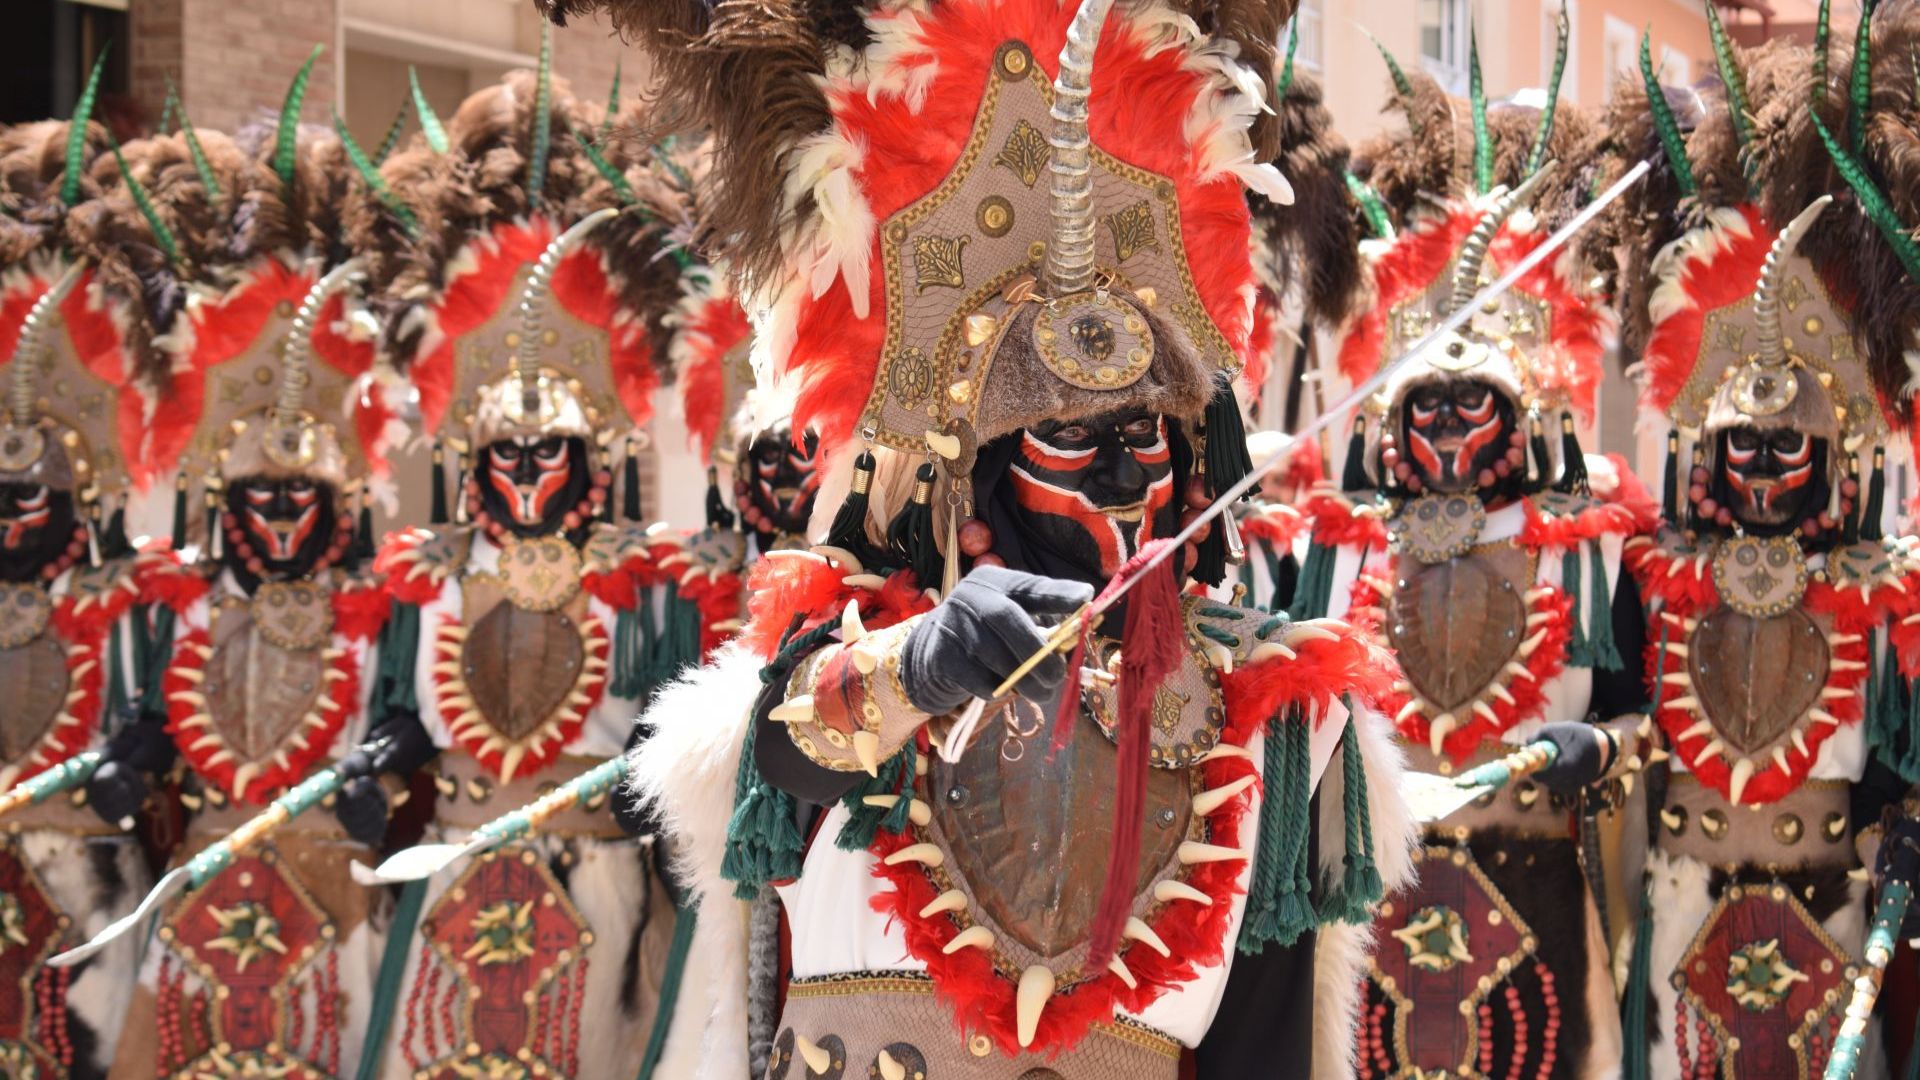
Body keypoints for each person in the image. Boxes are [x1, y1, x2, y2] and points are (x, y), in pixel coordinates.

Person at [535, 0, 1419, 1075]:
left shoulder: (1276, 712)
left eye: (1143, 435)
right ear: (978, 473)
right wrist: (922, 662)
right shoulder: (858, 653)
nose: (1119, 471)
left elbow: (1268, 1052)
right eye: (1066, 436)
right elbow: (780, 753)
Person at [1298, 38, 1657, 1079]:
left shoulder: (1587, 544)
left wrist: (1607, 751)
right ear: (1389, 413)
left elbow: (1640, 712)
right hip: (1369, 926)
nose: (1448, 425)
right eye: (1426, 403)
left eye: (1474, 401)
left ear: (1521, 408)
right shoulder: (1331, 544)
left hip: (1540, 903)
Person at [356, 60, 720, 1079]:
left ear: (592, 457)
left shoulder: (645, 581)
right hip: (453, 872)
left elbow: (666, 718)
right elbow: (402, 711)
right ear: (472, 458)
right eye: (502, 455)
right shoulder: (425, 575)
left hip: (596, 884)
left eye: (544, 454)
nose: (522, 474)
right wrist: (380, 754)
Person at [1609, 14, 1920, 1077]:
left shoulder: (1894, 596)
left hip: (1835, 918)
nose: (1760, 462)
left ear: (1842, 453)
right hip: (1679, 912)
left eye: (1787, 442)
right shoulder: (1653, 576)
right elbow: (1617, 721)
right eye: (1738, 439)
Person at [101, 89, 423, 1078]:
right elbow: (153, 719)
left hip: (334, 883)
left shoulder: (381, 603)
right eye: (260, 493)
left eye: (302, 491)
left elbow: (407, 718)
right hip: (204, 875)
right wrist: (137, 754)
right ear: (218, 497)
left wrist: (387, 769)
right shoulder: (180, 601)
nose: (281, 511)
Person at [0, 86, 167, 1079]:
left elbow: (168, 730)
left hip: (95, 893)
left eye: (31, 492)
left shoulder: (134, 603)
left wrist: (140, 753)